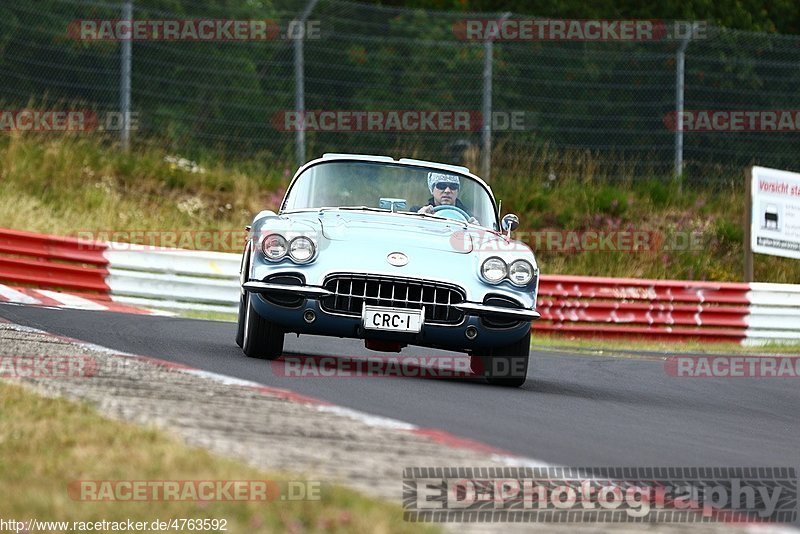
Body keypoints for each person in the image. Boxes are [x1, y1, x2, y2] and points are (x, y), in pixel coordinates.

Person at [413, 172, 478, 223]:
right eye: (441, 185)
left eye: (453, 186)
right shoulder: (417, 212)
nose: (447, 191)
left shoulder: (470, 217)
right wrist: (419, 219)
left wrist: (476, 228)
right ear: (432, 189)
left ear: (457, 191)